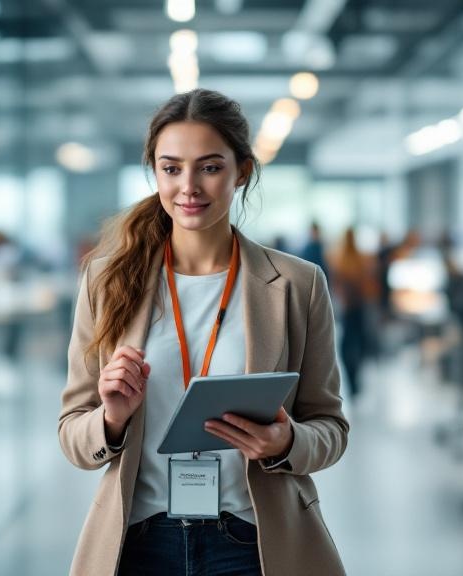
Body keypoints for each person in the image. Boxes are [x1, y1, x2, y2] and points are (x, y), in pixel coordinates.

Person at [59, 89, 350, 576]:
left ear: (242, 172)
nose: (188, 186)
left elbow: (331, 428)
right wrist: (111, 419)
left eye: (210, 167)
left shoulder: (297, 284)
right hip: (140, 540)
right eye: (171, 168)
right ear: (154, 173)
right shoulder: (106, 281)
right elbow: (72, 433)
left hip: (253, 542)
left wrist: (285, 443)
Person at [329, 227, 373, 400]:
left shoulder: (340, 258)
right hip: (357, 307)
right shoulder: (358, 259)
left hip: (349, 308)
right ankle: (355, 381)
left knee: (349, 346)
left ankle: (354, 381)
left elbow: (336, 284)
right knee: (358, 344)